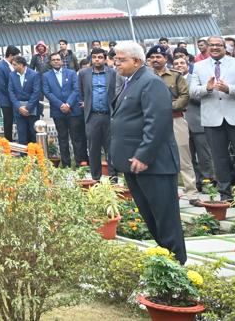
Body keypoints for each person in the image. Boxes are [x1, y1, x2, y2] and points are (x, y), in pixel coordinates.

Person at [110, 40, 187, 263]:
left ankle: (177, 266)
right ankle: (166, 264)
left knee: (166, 220)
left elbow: (158, 122)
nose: (116, 63)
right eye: (115, 59)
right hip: (135, 163)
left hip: (154, 164)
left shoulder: (150, 82)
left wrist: (144, 154)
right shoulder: (131, 81)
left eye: (121, 59)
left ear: (136, 61)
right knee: (152, 218)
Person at [188, 36, 235, 200]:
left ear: (225, 47)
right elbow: (192, 91)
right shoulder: (198, 66)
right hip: (212, 118)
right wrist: (207, 88)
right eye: (211, 45)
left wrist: (228, 89)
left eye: (218, 45)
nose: (215, 47)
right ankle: (225, 193)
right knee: (219, 158)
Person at [147, 46, 194, 196]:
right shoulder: (145, 76)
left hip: (175, 119)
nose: (155, 60)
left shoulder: (176, 76)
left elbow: (185, 96)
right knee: (158, 156)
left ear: (166, 59)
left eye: (158, 57)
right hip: (153, 122)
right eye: (152, 57)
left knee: (183, 155)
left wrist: (167, 108)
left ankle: (191, 191)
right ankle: (165, 191)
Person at [174, 54, 213, 192]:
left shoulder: (194, 80)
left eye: (182, 63)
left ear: (187, 65)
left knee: (204, 154)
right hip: (179, 122)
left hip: (197, 121)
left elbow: (202, 96)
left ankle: (207, 180)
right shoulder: (171, 81)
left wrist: (187, 95)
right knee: (187, 156)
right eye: (176, 64)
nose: (179, 66)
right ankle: (194, 181)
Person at [42, 51, 86, 167]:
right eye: (54, 60)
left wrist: (68, 104)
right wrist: (61, 105)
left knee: (76, 138)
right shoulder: (46, 76)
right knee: (62, 138)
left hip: (73, 110)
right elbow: (47, 92)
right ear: (50, 62)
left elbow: (76, 89)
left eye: (58, 59)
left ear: (62, 61)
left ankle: (79, 163)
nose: (56, 61)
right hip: (58, 111)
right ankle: (66, 164)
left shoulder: (71, 73)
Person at [79, 46, 115, 181]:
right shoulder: (84, 74)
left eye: (100, 57)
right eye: (94, 57)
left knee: (111, 149)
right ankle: (95, 178)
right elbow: (81, 93)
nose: (97, 60)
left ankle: (113, 178)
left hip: (109, 115)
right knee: (93, 149)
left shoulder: (113, 73)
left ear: (105, 59)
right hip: (92, 116)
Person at [7, 55, 42, 145]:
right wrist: (19, 107)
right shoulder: (12, 75)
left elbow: (36, 92)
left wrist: (28, 107)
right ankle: (23, 156)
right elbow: (11, 92)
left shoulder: (34, 74)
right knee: (22, 134)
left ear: (21, 65)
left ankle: (35, 156)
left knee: (33, 133)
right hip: (18, 109)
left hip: (32, 108)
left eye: (14, 65)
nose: (13, 67)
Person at [0, 46, 21, 142]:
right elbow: (2, 85)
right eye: (16, 56)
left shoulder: (13, 65)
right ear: (10, 55)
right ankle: (8, 142)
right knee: (8, 122)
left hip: (15, 98)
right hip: (6, 99)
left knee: (18, 120)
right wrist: (13, 96)